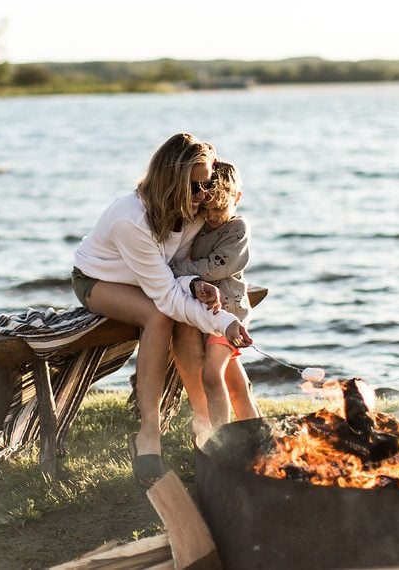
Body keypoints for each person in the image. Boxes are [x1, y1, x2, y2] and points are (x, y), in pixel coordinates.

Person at [71, 133, 253, 486]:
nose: (205, 196)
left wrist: (197, 286)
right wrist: (226, 321)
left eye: (208, 184)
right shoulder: (132, 219)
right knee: (159, 316)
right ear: (173, 184)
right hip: (102, 280)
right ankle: (148, 434)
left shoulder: (194, 210)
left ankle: (206, 426)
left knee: (185, 322)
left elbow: (176, 271)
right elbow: (167, 297)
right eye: (197, 187)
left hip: (154, 279)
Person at [170, 161, 261, 439]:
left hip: (229, 313)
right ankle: (258, 436)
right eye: (206, 209)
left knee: (212, 374)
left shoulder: (237, 228)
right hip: (206, 314)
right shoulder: (199, 225)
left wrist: (177, 271)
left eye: (218, 209)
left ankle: (222, 441)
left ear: (237, 199)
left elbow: (217, 266)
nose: (211, 217)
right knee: (235, 381)